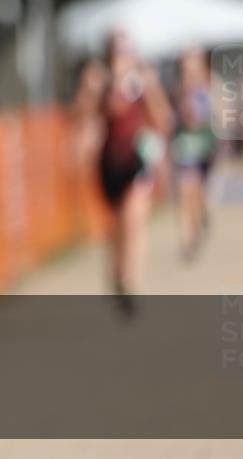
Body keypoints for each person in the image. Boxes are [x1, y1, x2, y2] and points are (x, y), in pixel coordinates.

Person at [76, 29, 171, 315]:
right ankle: (118, 277)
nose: (121, 57)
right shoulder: (101, 83)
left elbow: (162, 118)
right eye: (116, 51)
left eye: (125, 51)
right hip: (109, 164)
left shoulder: (141, 83)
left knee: (134, 223)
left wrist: (152, 88)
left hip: (135, 161)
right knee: (116, 228)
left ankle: (132, 283)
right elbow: (82, 117)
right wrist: (89, 91)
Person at [170, 48, 217, 261]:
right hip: (185, 147)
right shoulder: (177, 91)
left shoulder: (208, 89)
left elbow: (213, 117)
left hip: (205, 148)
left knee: (197, 192)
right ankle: (186, 238)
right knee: (184, 190)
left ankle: (198, 223)